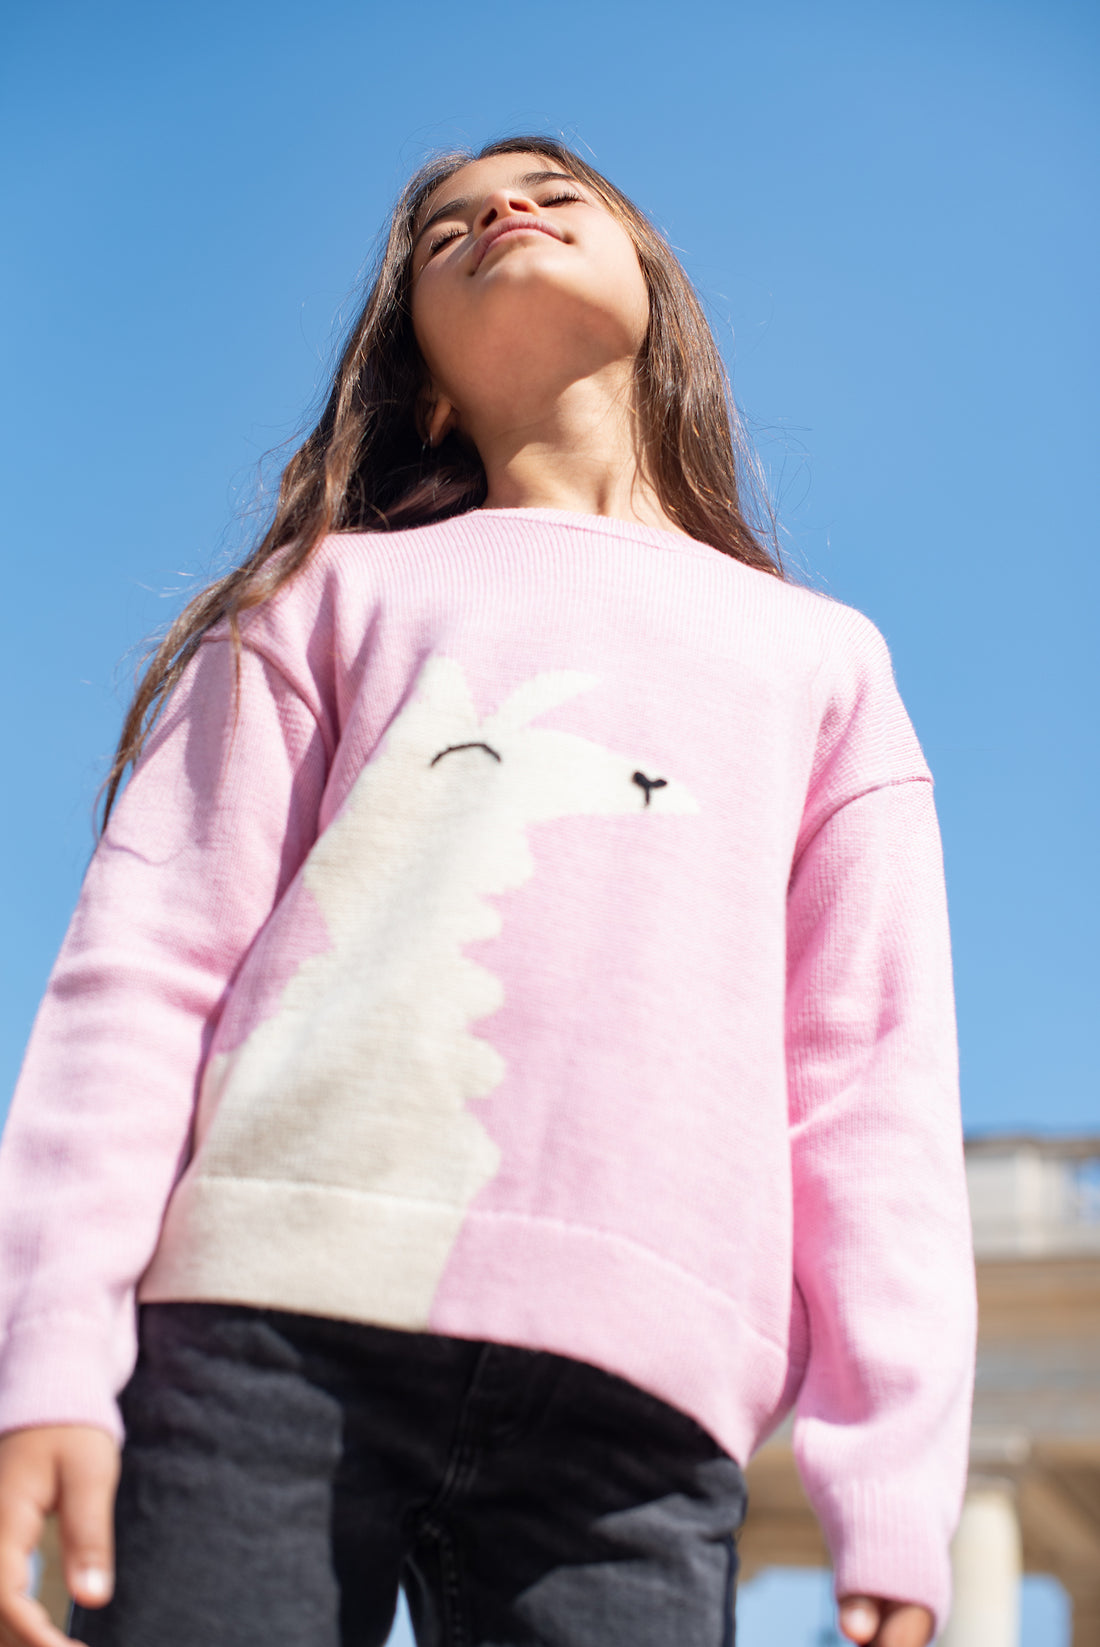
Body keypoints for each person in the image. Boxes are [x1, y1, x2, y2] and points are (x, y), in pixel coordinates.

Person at [0, 135, 976, 1647]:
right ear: (427, 384)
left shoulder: (825, 664)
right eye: (447, 225)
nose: (502, 211)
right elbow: (143, 970)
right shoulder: (323, 598)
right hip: (265, 1319)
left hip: (641, 1402)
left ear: (658, 299)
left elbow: (867, 1090)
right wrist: (48, 1352)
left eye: (550, 195)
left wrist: (896, 1474)